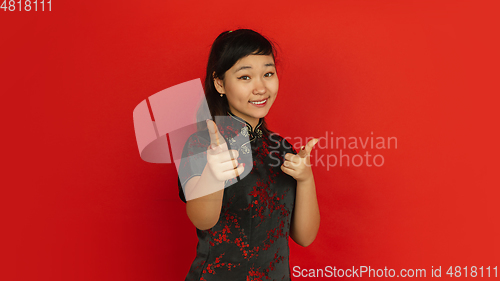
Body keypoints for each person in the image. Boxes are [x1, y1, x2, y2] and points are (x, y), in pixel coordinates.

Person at [177, 29, 320, 281]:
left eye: (268, 74)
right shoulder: (202, 143)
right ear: (220, 83)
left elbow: (305, 237)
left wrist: (306, 180)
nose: (261, 87)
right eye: (245, 77)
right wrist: (212, 174)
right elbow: (203, 220)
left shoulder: (281, 149)